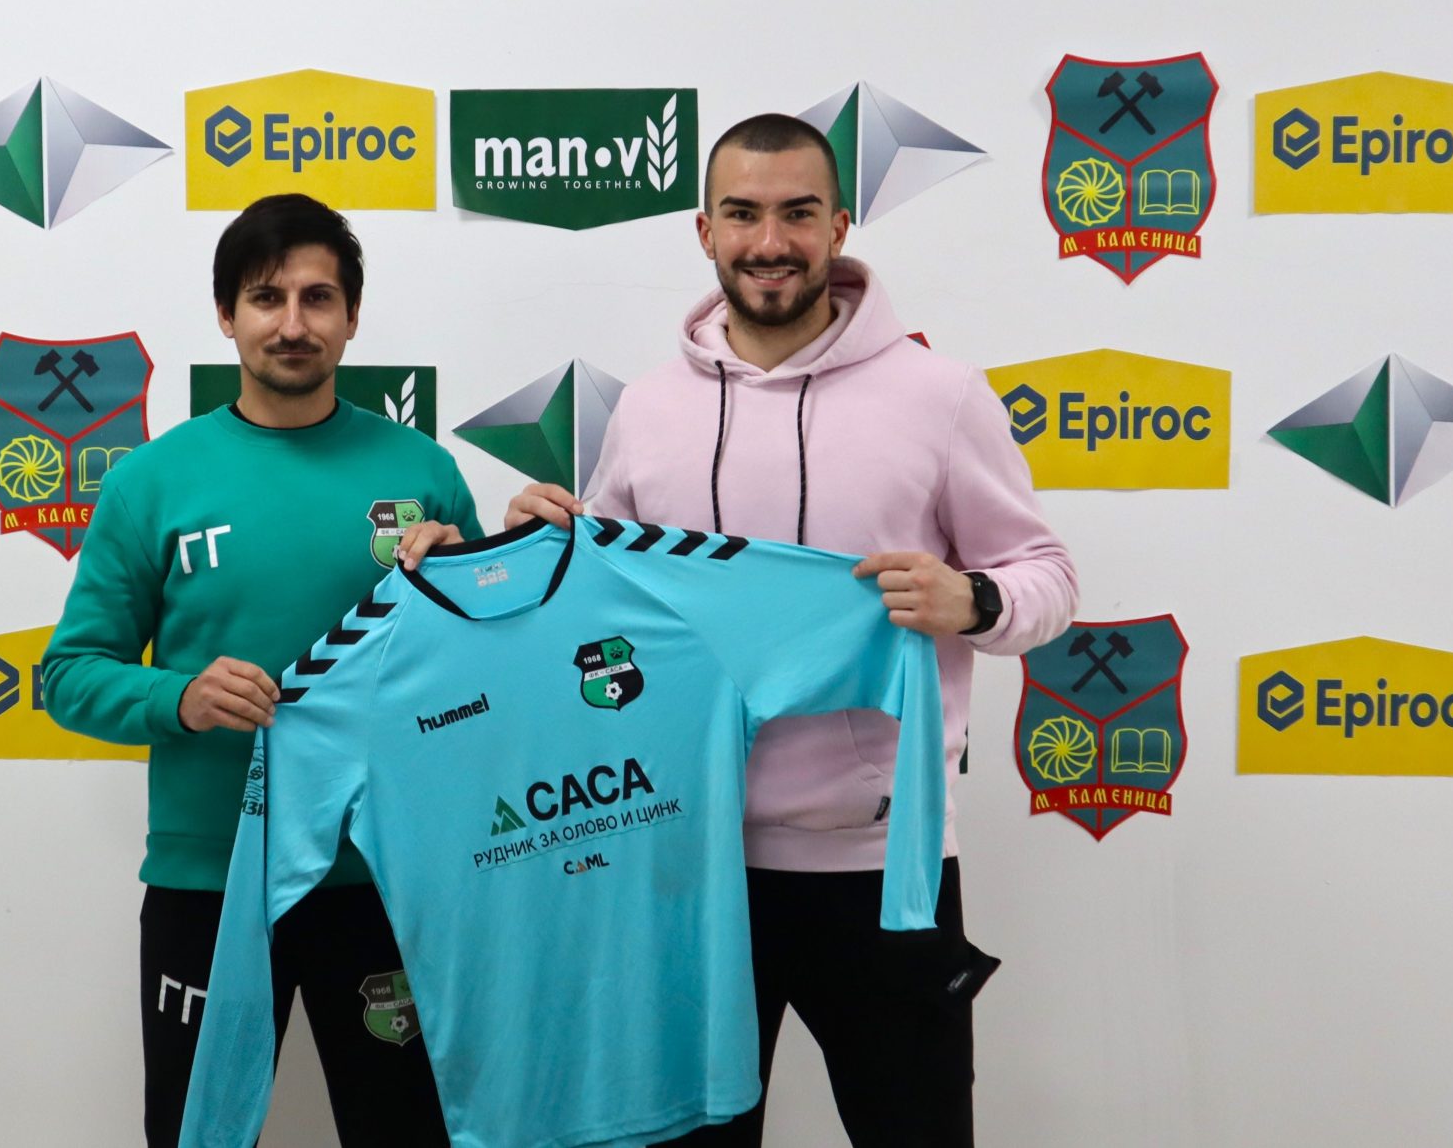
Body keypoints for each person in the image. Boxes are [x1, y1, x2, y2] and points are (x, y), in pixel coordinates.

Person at [402, 113, 1077, 1147]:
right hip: (680, 860)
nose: (771, 242)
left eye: (799, 214)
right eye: (744, 214)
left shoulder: (939, 396)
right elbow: (601, 606)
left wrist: (975, 600)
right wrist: (518, 551)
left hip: (881, 867)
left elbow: (1047, 576)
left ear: (840, 226)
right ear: (705, 230)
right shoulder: (649, 409)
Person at [46, 192, 482, 1148]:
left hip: (385, 880)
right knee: (197, 1133)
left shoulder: (424, 474)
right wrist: (181, 696)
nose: (293, 323)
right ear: (225, 314)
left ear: (352, 315)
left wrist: (474, 584)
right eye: (266, 297)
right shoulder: (151, 480)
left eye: (318, 298)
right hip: (212, 882)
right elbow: (69, 675)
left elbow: (482, 682)